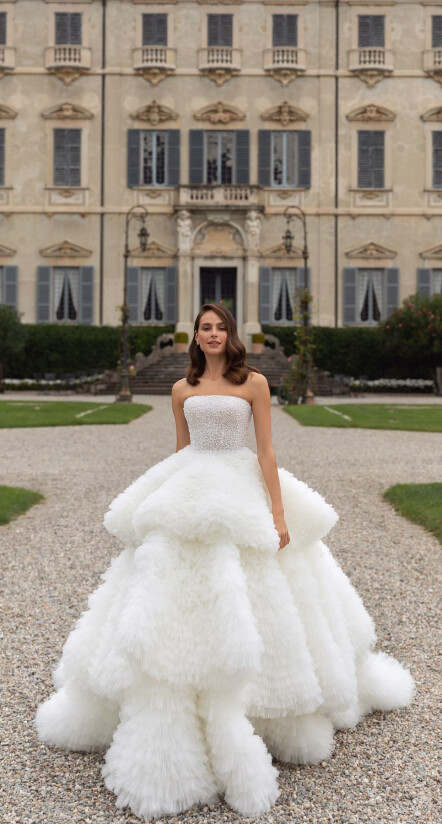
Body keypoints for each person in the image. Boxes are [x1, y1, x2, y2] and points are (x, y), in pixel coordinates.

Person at [35, 303, 415, 821]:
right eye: (205, 328)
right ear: (195, 336)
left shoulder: (254, 382)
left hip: (240, 486)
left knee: (266, 581)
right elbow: (180, 451)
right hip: (192, 485)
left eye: (220, 328)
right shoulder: (181, 389)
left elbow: (266, 452)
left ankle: (263, 706)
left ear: (230, 335)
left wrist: (278, 513)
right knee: (163, 579)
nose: (213, 335)